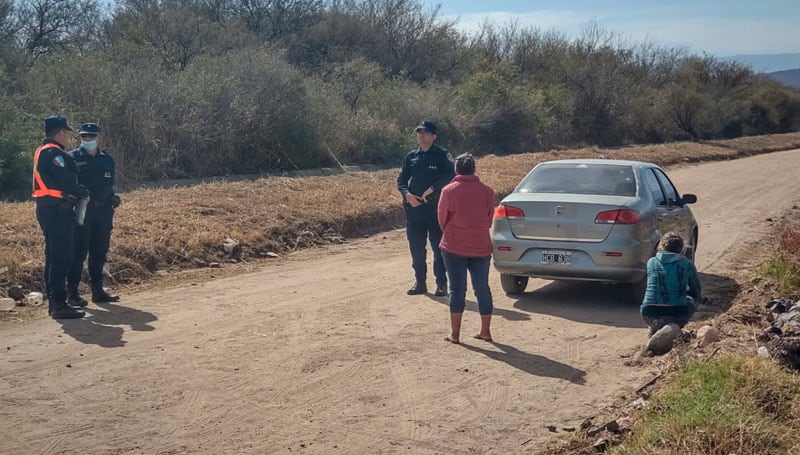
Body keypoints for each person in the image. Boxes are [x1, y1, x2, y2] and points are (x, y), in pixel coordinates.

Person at [33, 115, 89, 319]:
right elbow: (68, 183)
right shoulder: (55, 154)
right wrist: (82, 192)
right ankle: (59, 304)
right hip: (59, 210)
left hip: (48, 208)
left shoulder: (42, 151)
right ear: (61, 133)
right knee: (61, 257)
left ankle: (55, 302)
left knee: (52, 256)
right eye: (66, 133)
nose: (67, 139)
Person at [437, 154, 495, 344]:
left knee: (457, 289)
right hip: (481, 246)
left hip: (454, 245)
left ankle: (455, 334)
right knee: (482, 288)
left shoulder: (449, 190)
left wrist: (452, 231)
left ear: (456, 169)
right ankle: (485, 331)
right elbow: (488, 220)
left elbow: (442, 219)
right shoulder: (487, 191)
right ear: (474, 169)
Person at [397, 120, 455, 297]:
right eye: (419, 133)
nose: (421, 136)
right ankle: (420, 282)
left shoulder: (442, 155)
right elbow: (401, 180)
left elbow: (451, 175)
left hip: (434, 208)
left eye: (425, 133)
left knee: (438, 248)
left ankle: (441, 284)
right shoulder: (411, 156)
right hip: (414, 209)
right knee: (416, 247)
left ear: (433, 136)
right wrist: (407, 195)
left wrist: (433, 189)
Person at [67, 123, 121, 305]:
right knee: (79, 252)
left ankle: (97, 290)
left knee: (99, 251)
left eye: (91, 136)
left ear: (99, 137)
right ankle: (72, 293)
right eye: (84, 136)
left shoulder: (106, 159)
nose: (88, 139)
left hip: (104, 211)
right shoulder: (72, 158)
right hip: (83, 211)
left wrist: (113, 198)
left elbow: (109, 183)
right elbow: (68, 186)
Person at [640, 232, 702, 335]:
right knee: (692, 299)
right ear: (681, 248)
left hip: (648, 313)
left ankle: (654, 327)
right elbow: (696, 290)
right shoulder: (686, 264)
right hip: (677, 313)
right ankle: (676, 328)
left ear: (662, 246)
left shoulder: (651, 262)